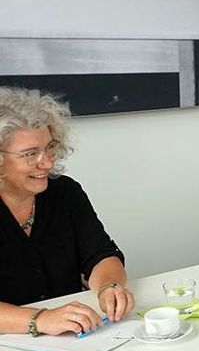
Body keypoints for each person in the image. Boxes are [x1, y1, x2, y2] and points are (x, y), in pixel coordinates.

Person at [0, 88, 134, 337]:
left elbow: (101, 254)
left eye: (50, 147)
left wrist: (109, 286)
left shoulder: (64, 193)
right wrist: (41, 320)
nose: (47, 162)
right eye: (30, 154)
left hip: (74, 338)